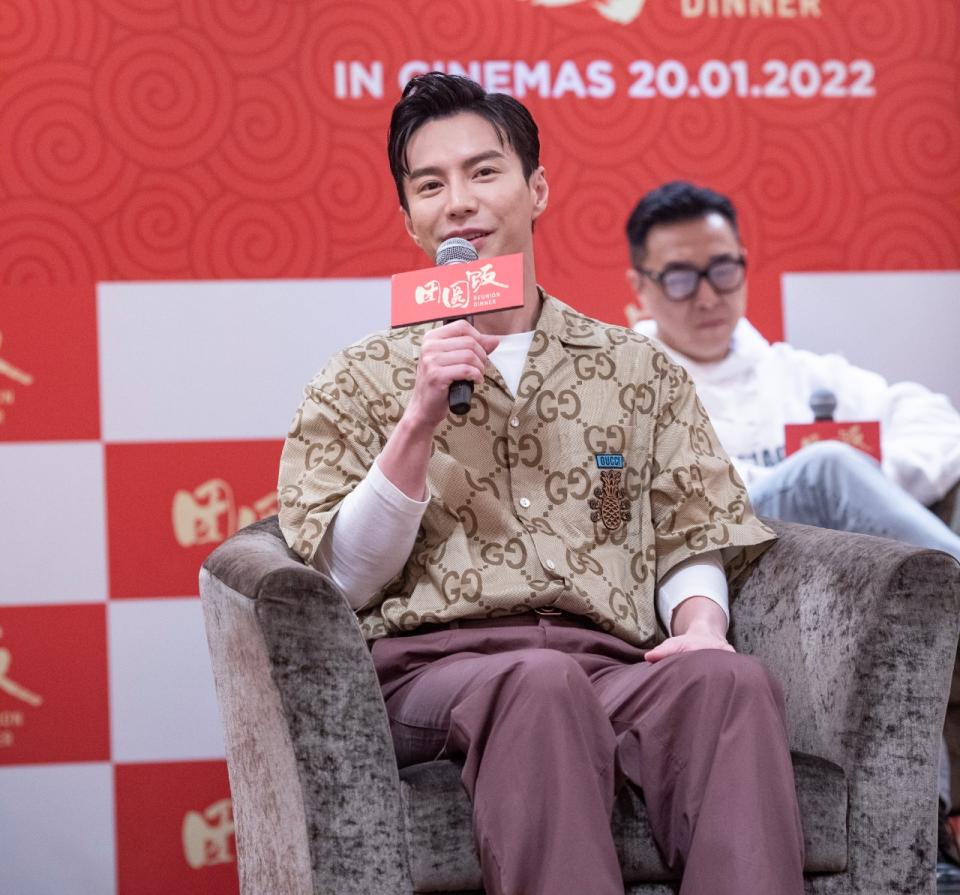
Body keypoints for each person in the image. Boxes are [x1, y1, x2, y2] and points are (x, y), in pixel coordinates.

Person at [278, 76, 805, 895]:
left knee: (725, 679)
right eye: (430, 185)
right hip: (435, 672)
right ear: (410, 219)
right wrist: (416, 423)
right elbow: (341, 577)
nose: (459, 201)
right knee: (539, 680)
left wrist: (702, 626)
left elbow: (691, 527)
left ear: (537, 189)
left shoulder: (636, 368)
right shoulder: (355, 380)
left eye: (483, 172)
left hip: (608, 659)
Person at [623, 178, 960, 879]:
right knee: (829, 467)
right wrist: (814, 475)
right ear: (642, 287)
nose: (707, 295)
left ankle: (934, 833)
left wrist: (871, 478)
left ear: (744, 263)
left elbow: (939, 425)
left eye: (722, 269)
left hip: (831, 599)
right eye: (681, 277)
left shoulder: (795, 374)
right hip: (718, 583)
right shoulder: (625, 381)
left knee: (866, 535)